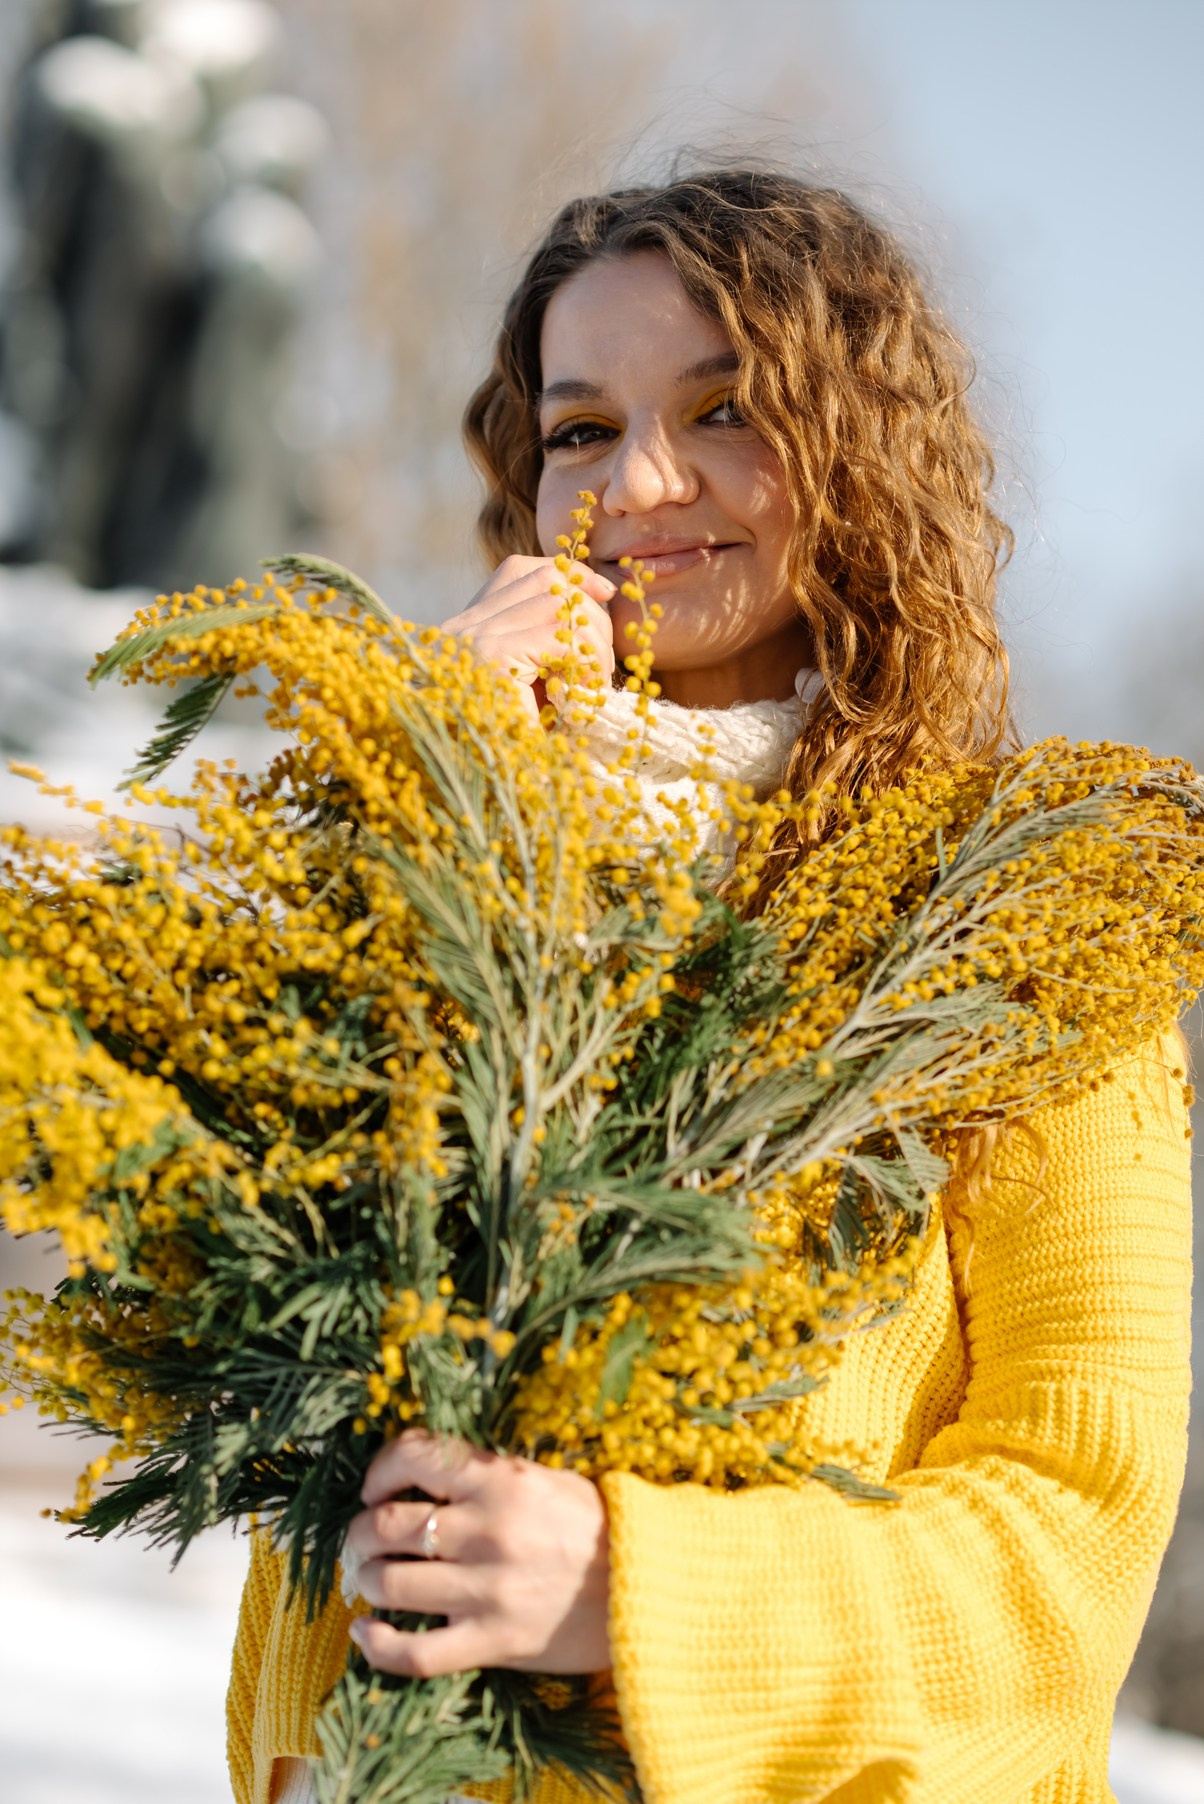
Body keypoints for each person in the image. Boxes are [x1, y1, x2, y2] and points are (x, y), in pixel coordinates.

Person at [227, 168, 1193, 1804]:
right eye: (582, 431)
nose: (644, 483)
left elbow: (1068, 1543)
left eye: (728, 409)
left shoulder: (1023, 922)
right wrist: (405, 803)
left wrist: (635, 1592)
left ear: (862, 452)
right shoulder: (458, 854)